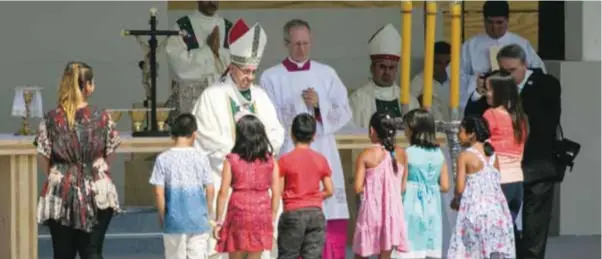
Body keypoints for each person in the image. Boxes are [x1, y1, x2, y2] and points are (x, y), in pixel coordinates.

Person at [191, 18, 285, 259]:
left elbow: (276, 132)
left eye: (254, 71)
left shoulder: (261, 96)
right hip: (226, 181)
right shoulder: (212, 96)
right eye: (246, 71)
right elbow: (204, 136)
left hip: (260, 192)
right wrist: (241, 154)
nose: (250, 77)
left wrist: (260, 151)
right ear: (232, 67)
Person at [260, 19, 350, 259]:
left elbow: (344, 109)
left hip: (322, 149)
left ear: (311, 42)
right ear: (286, 43)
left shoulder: (326, 73)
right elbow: (268, 117)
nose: (301, 49)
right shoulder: (271, 77)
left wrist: (320, 106)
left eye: (305, 43)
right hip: (290, 151)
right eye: (296, 43)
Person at [465, 44, 562, 259]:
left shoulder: (546, 84)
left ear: (524, 65)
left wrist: (509, 107)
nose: (507, 76)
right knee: (499, 228)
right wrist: (479, 93)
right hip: (502, 171)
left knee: (534, 231)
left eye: (512, 71)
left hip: (535, 165)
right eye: (502, 71)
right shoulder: (494, 89)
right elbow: (473, 121)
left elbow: (546, 123)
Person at [34, 61, 121, 259]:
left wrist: (61, 173)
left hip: (61, 190)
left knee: (63, 253)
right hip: (96, 189)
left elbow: (43, 157)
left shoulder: (50, 119)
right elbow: (111, 154)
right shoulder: (103, 118)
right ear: (88, 86)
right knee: (92, 251)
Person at [458, 0, 546, 113]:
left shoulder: (521, 44)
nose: (494, 27)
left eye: (499, 22)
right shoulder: (470, 46)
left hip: (515, 98)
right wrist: (477, 80)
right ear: (484, 21)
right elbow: (458, 76)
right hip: (483, 99)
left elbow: (538, 71)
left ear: (507, 20)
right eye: (490, 22)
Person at [447, 116, 515, 258]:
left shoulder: (465, 156)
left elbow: (460, 188)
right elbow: (497, 181)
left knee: (471, 252)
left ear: (471, 134)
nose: (458, 135)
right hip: (497, 211)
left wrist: (456, 199)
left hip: (475, 211)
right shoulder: (494, 155)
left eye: (461, 131)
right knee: (494, 252)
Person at [214, 115, 281, 259]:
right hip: (262, 212)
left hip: (238, 211)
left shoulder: (232, 160)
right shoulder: (271, 161)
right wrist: (273, 217)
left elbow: (223, 192)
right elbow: (276, 193)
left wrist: (219, 221)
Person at [149, 113, 215, 259]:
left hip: (174, 219)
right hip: (198, 219)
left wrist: (162, 215)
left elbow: (159, 193)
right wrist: (207, 211)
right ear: (194, 134)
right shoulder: (201, 158)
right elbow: (210, 188)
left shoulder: (163, 159)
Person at [482, 70, 528, 253]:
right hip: (517, 181)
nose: (486, 94)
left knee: (491, 235)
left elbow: (484, 149)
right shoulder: (520, 118)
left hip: (498, 180)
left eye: (489, 90)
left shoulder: (491, 115)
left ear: (500, 92)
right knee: (507, 233)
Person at [353, 111, 409, 258]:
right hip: (392, 213)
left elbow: (358, 187)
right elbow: (402, 187)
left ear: (372, 130)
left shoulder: (366, 155)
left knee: (361, 253)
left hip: (371, 212)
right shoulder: (402, 154)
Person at [394, 108, 449, 259]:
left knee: (408, 246)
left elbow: (401, 185)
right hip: (432, 207)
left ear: (413, 128)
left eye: (405, 127)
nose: (404, 131)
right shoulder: (439, 154)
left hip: (409, 205)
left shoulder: (407, 153)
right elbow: (445, 186)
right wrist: (428, 187)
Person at [165, 1, 233, 123]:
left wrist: (216, 51)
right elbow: (179, 67)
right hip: (191, 100)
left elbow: (236, 65)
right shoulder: (182, 26)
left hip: (222, 99)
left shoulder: (229, 28)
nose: (212, 1)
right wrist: (208, 50)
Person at [277, 113, 333, 258]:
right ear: (314, 136)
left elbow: (278, 191)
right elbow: (330, 190)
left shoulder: (284, 160)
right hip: (316, 213)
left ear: (292, 134)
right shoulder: (320, 160)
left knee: (288, 255)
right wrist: (314, 196)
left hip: (292, 213)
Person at [349, 23, 419, 128]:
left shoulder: (410, 101)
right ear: (372, 68)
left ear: (397, 69)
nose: (387, 72)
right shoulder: (357, 100)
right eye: (382, 67)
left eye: (391, 68)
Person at [410, 41, 452, 121]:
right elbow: (410, 113)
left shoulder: (457, 81)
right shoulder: (418, 82)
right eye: (438, 63)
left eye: (447, 63)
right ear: (430, 61)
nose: (444, 68)